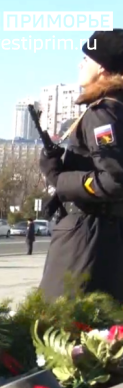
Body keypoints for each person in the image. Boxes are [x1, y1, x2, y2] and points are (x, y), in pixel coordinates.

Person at [39, 29, 123, 303]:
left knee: (66, 328)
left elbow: (114, 179)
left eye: (85, 59)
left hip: (89, 235)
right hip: (105, 232)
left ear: (101, 68)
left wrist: (59, 178)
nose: (80, 65)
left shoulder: (103, 113)